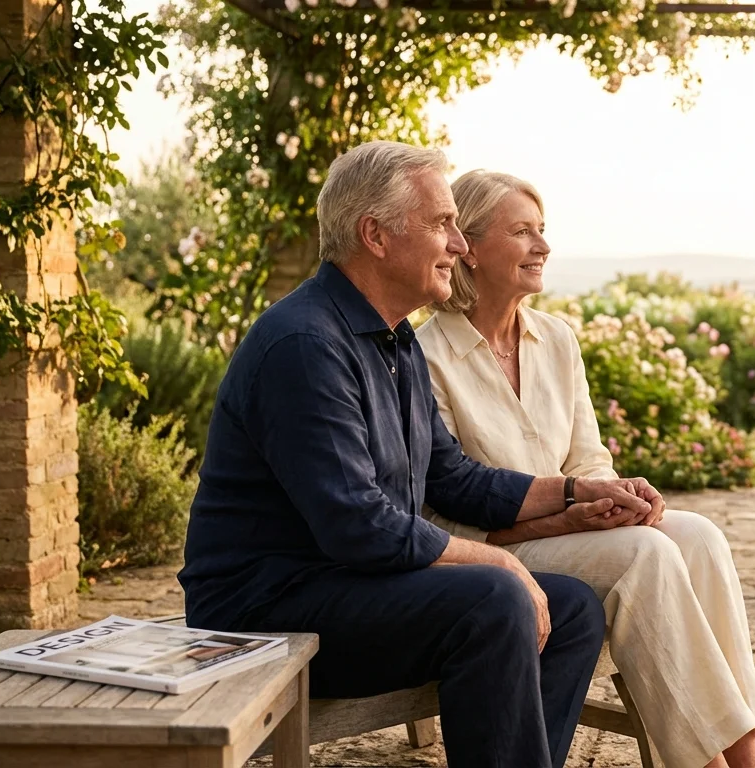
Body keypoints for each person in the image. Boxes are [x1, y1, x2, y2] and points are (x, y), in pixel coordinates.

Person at [179, 142, 653, 768]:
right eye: (442, 224)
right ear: (375, 236)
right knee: (496, 598)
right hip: (268, 608)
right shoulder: (304, 345)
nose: (459, 245)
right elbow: (359, 525)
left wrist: (574, 492)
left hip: (352, 587)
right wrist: (501, 565)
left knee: (570, 609)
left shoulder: (395, 338)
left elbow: (451, 477)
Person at [414, 170, 755, 768]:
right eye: (522, 232)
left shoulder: (556, 339)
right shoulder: (428, 355)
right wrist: (571, 515)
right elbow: (443, 500)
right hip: (498, 548)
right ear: (469, 248)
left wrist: (616, 495)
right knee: (645, 554)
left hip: (572, 526)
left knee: (700, 537)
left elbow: (587, 458)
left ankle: (744, 755)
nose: (543, 247)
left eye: (543, 230)